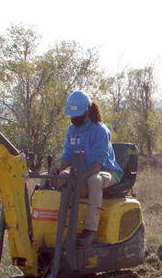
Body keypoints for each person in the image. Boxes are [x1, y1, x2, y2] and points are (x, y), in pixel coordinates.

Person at [50, 90, 123, 245]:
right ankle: (61, 227)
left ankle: (90, 231)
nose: (74, 119)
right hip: (83, 171)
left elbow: (97, 165)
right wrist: (58, 169)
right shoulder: (72, 131)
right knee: (57, 179)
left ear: (87, 111)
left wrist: (80, 181)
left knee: (94, 181)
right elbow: (68, 155)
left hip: (107, 172)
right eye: (72, 116)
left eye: (77, 115)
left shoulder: (100, 131)